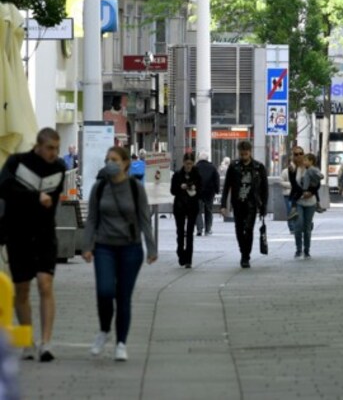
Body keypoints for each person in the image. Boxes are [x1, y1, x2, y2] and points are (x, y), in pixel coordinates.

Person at [82, 146, 157, 361]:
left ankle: (121, 343)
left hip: (130, 249)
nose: (110, 163)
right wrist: (87, 246)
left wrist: (151, 248)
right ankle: (104, 330)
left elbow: (144, 219)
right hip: (104, 246)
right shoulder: (99, 187)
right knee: (105, 291)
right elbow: (92, 220)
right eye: (107, 159)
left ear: (125, 163)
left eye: (114, 159)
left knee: (123, 296)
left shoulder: (135, 188)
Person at [0, 128, 66, 362]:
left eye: (57, 148)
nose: (54, 153)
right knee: (22, 289)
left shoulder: (59, 168)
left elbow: (51, 200)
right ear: (37, 146)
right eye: (50, 148)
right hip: (18, 235)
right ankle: (27, 340)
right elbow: (4, 188)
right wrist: (34, 197)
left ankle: (46, 343)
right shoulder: (16, 163)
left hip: (45, 234)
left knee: (45, 283)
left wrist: (34, 199)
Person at [220, 141, 268, 268]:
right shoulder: (233, 166)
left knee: (249, 229)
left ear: (250, 152)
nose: (244, 156)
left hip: (252, 203)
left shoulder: (258, 167)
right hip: (238, 202)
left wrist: (263, 206)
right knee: (239, 229)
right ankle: (243, 251)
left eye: (246, 154)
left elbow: (264, 188)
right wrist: (223, 204)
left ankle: (246, 256)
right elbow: (227, 186)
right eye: (241, 154)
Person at [171, 153, 201, 268]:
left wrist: (195, 188)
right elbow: (172, 191)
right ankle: (180, 252)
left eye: (190, 163)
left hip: (192, 206)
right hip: (180, 206)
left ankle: (188, 259)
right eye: (186, 163)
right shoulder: (177, 175)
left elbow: (201, 189)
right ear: (183, 163)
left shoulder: (197, 175)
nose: (188, 166)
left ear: (193, 163)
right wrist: (180, 187)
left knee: (189, 233)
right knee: (180, 231)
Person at [292, 153, 324, 258]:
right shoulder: (295, 169)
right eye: (300, 156)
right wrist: (301, 192)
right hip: (299, 201)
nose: (301, 159)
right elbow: (293, 184)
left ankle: (306, 250)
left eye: (304, 158)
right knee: (298, 225)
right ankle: (298, 249)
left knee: (307, 227)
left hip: (310, 202)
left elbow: (318, 182)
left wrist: (310, 192)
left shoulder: (313, 170)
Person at [194, 151, 220, 236]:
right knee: (208, 210)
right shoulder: (212, 167)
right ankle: (208, 229)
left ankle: (199, 229)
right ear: (207, 159)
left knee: (197, 210)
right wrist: (217, 190)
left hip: (197, 192)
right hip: (209, 192)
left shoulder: (195, 167)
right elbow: (216, 179)